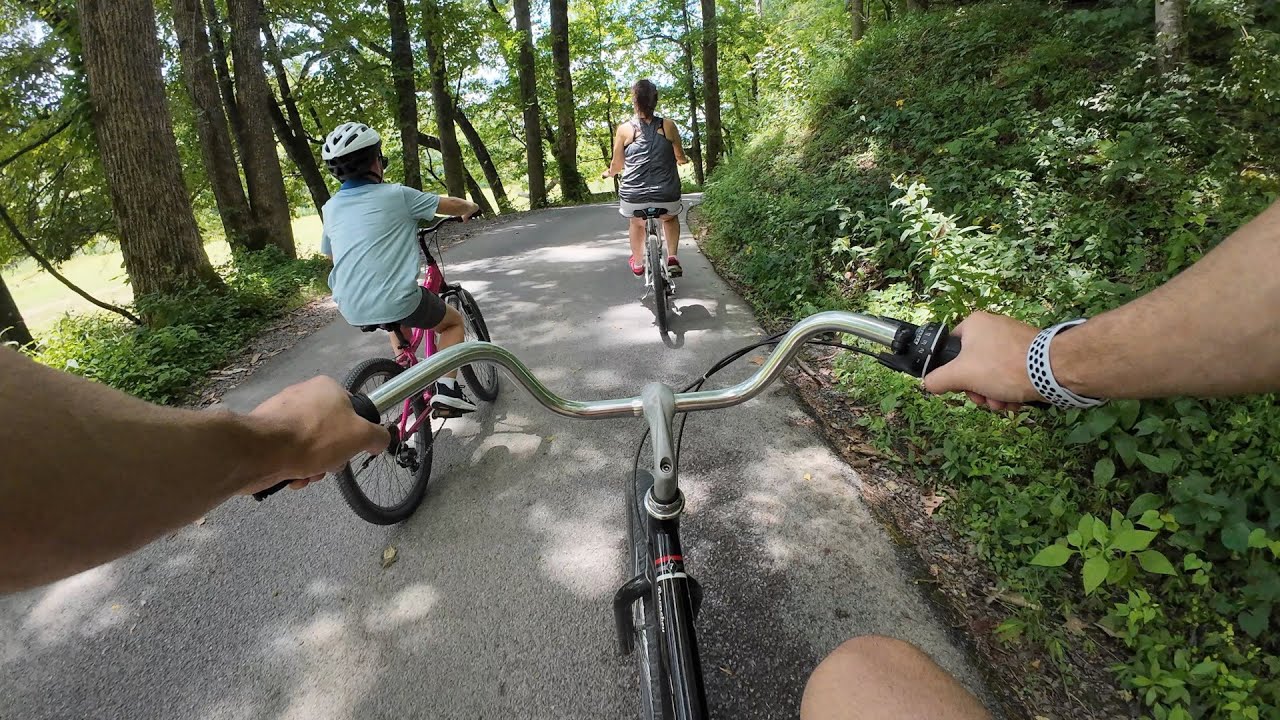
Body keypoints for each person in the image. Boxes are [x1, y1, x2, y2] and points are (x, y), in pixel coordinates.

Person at [3, 199, 1278, 713]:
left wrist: (278, 433)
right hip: (432, 279)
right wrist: (1053, 360)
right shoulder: (396, 194)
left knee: (865, 676)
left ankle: (595, 291)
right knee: (865, 674)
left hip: (356, 314)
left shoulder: (350, 212)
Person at [320, 121, 481, 417]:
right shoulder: (397, 195)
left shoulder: (330, 208)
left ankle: (406, 373)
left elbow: (333, 255)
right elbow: (450, 205)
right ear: (375, 161)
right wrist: (469, 207)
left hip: (349, 303)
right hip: (396, 300)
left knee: (393, 315)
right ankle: (446, 392)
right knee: (452, 323)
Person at [602, 78, 690, 278]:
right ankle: (673, 258)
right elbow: (680, 156)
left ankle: (639, 263)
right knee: (669, 218)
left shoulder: (624, 129)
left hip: (634, 197)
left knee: (636, 222)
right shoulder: (668, 126)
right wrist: (682, 160)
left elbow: (617, 165)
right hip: (667, 195)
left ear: (635, 101)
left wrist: (608, 173)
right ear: (655, 100)